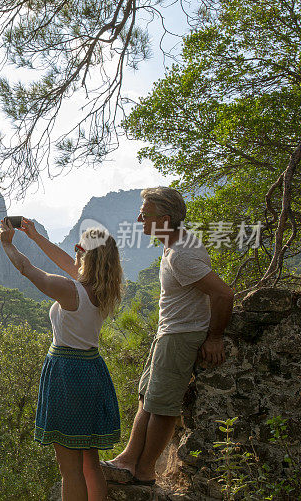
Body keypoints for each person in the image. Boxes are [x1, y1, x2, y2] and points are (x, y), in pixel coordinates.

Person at [101, 187, 234, 486]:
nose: (139, 219)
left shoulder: (181, 255)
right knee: (147, 397)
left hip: (181, 335)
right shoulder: (174, 245)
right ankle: (127, 460)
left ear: (163, 219)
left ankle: (145, 471)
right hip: (169, 333)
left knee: (162, 406)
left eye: (145, 214)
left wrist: (215, 338)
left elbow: (224, 294)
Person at [0, 217, 124, 501]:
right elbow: (66, 262)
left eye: (78, 247)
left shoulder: (70, 291)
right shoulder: (102, 289)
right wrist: (34, 236)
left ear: (87, 256)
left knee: (69, 468)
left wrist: (7, 244)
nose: (75, 251)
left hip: (68, 375)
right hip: (92, 370)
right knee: (90, 463)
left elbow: (26, 269)